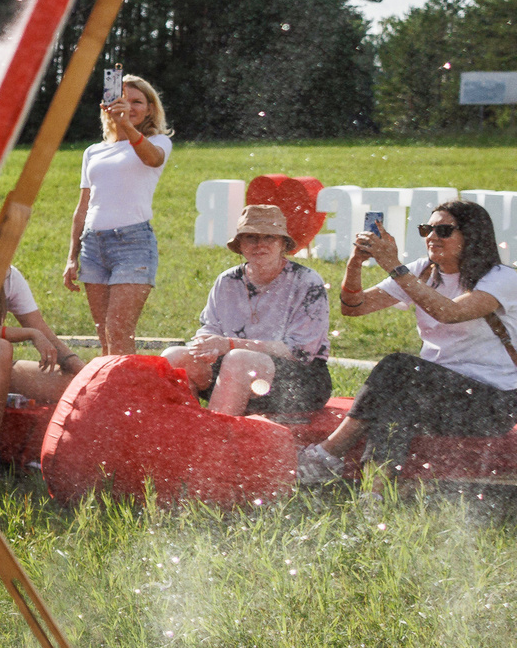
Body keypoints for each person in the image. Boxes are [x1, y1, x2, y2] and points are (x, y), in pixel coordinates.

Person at [299, 201, 517, 483]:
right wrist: (355, 263)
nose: (432, 237)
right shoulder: (423, 271)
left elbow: (451, 312)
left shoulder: (503, 278)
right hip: (439, 393)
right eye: (427, 229)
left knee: (397, 366)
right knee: (393, 405)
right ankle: (373, 495)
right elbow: (355, 306)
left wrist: (393, 266)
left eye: (444, 230)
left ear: (473, 235)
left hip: (492, 404)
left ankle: (328, 453)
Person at [163, 204, 332, 420]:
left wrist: (230, 344)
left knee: (238, 359)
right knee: (174, 357)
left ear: (282, 244)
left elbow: (300, 351)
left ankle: (214, 440)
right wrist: (205, 345)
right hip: (233, 368)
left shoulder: (306, 281)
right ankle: (181, 432)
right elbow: (210, 328)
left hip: (298, 379)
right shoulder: (227, 281)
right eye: (251, 237)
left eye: (269, 237)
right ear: (240, 245)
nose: (260, 244)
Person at [0, 208, 82, 458]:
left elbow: (41, 328)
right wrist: (26, 334)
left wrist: (77, 366)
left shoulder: (8, 275)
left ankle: (72, 455)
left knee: (70, 385)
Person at [64, 74, 171, 356]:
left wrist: (125, 125)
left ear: (150, 108)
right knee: (104, 337)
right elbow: (83, 206)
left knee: (119, 331)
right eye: (122, 100)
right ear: (106, 106)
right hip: (93, 246)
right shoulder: (94, 151)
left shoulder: (158, 141)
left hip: (132, 243)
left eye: (137, 102)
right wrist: (71, 256)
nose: (130, 107)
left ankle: (129, 398)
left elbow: (153, 159)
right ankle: (109, 397)